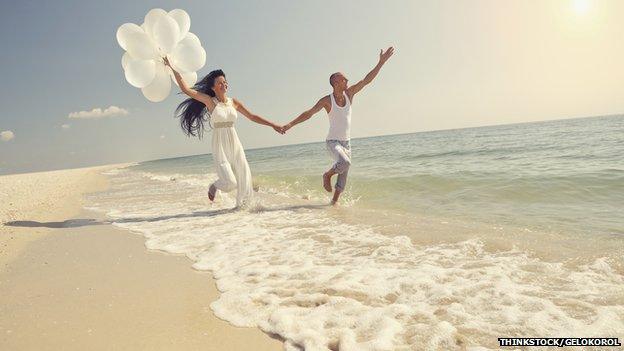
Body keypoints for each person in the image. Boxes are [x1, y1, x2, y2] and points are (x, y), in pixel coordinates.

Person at [164, 57, 284, 208]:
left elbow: (252, 116)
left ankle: (242, 208)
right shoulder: (209, 101)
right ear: (213, 87)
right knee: (230, 182)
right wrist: (171, 68)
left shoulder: (233, 102)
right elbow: (185, 89)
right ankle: (215, 185)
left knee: (244, 175)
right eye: (220, 82)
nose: (224, 84)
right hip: (219, 142)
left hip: (234, 140)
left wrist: (272, 124)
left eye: (225, 82)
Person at [281, 47, 394, 204]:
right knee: (345, 163)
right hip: (332, 142)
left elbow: (367, 80)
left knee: (344, 174)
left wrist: (380, 63)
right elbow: (309, 113)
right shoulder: (327, 101)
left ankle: (333, 203)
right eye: (344, 79)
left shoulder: (349, 94)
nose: (347, 81)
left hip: (346, 142)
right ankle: (327, 175)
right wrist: (290, 124)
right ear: (335, 82)